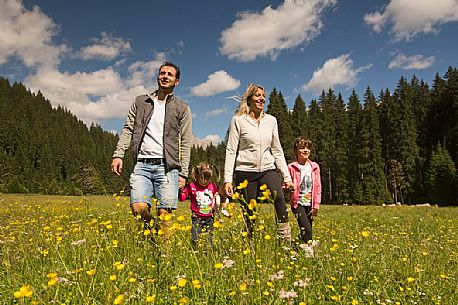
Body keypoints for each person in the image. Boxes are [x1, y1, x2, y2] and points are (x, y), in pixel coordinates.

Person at [111, 61, 192, 235]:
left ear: (176, 82)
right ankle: (153, 231)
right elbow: (128, 129)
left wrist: (183, 173)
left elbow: (186, 142)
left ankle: (165, 258)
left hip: (168, 168)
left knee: (166, 216)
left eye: (170, 74)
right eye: (162, 73)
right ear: (157, 77)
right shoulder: (141, 102)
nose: (165, 76)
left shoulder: (182, 108)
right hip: (142, 165)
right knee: (138, 208)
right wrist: (118, 154)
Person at [224, 83, 294, 244]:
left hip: (268, 169)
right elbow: (231, 150)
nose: (261, 98)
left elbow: (277, 150)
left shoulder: (271, 121)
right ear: (249, 99)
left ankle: (285, 242)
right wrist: (227, 179)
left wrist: (287, 177)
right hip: (245, 171)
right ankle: (248, 246)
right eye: (257, 95)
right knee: (249, 211)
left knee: (280, 200)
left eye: (263, 96)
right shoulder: (238, 121)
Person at [287, 137, 321, 256]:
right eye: (302, 148)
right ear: (296, 151)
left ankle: (294, 247)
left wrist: (316, 205)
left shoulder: (315, 167)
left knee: (306, 230)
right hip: (297, 203)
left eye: (308, 148)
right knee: (307, 230)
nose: (305, 150)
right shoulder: (291, 167)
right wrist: (288, 187)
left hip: (310, 204)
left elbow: (317, 187)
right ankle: (308, 256)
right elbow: (284, 184)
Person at [179, 161, 223, 247]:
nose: (205, 181)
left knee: (209, 239)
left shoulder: (213, 186)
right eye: (203, 177)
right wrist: (180, 190)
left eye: (208, 178)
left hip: (210, 217)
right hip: (196, 217)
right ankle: (195, 251)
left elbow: (217, 199)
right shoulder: (192, 186)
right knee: (195, 237)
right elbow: (182, 198)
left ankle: (208, 253)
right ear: (196, 176)